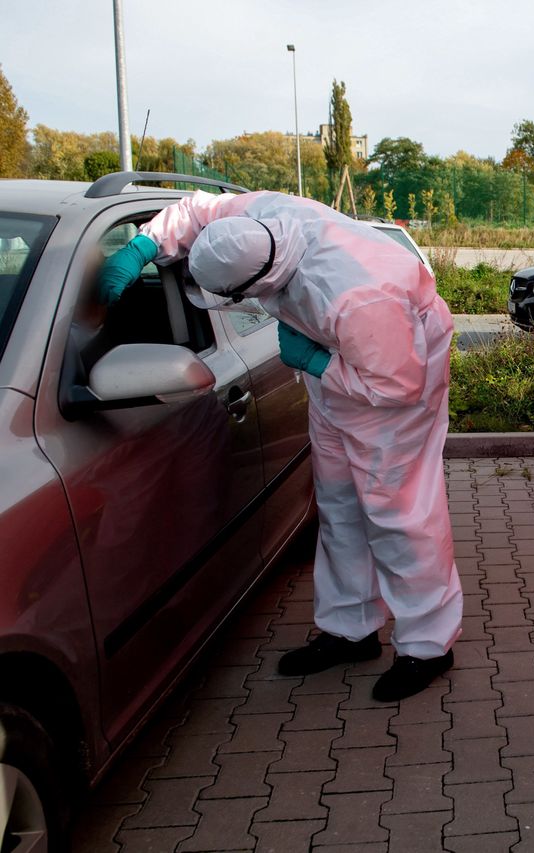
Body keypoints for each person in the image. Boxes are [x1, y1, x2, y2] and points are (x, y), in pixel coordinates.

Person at [98, 191, 462, 702]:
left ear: (259, 283)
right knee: (338, 503)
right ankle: (349, 630)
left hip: (397, 371)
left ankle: (428, 645)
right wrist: (144, 243)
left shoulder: (354, 295)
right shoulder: (258, 219)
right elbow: (199, 210)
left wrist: (317, 363)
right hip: (340, 363)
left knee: (398, 510)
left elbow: (395, 385)